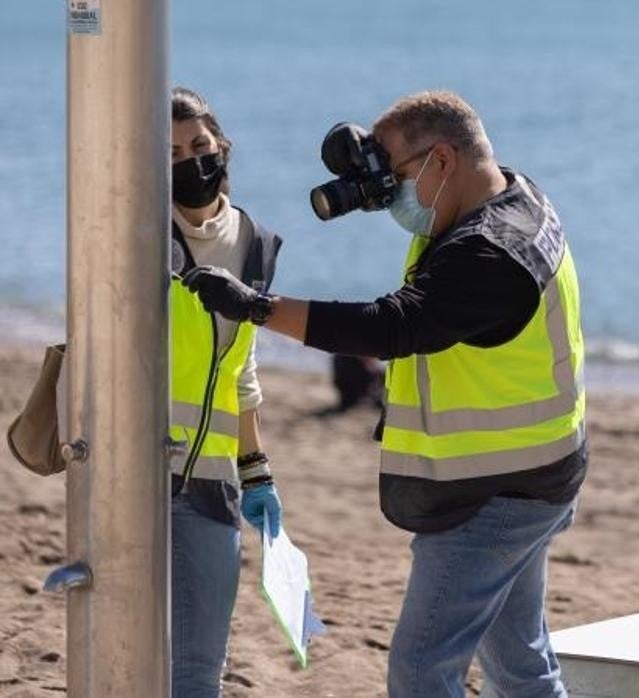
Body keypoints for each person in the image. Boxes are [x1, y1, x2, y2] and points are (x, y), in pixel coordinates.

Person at [181, 90, 586, 698]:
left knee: (423, 671)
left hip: (494, 493)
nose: (390, 195)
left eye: (396, 177)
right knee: (521, 664)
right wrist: (380, 170)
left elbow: (392, 327)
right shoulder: (509, 195)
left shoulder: (491, 252)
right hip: (539, 472)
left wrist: (258, 308)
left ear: (442, 161)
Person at [168, 86, 285, 697]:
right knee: (126, 651)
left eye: (199, 146)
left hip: (215, 483)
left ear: (223, 148)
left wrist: (257, 471)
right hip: (135, 476)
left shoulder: (256, 244)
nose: (190, 161)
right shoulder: (134, 234)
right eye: (171, 153)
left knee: (198, 666)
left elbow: (241, 367)